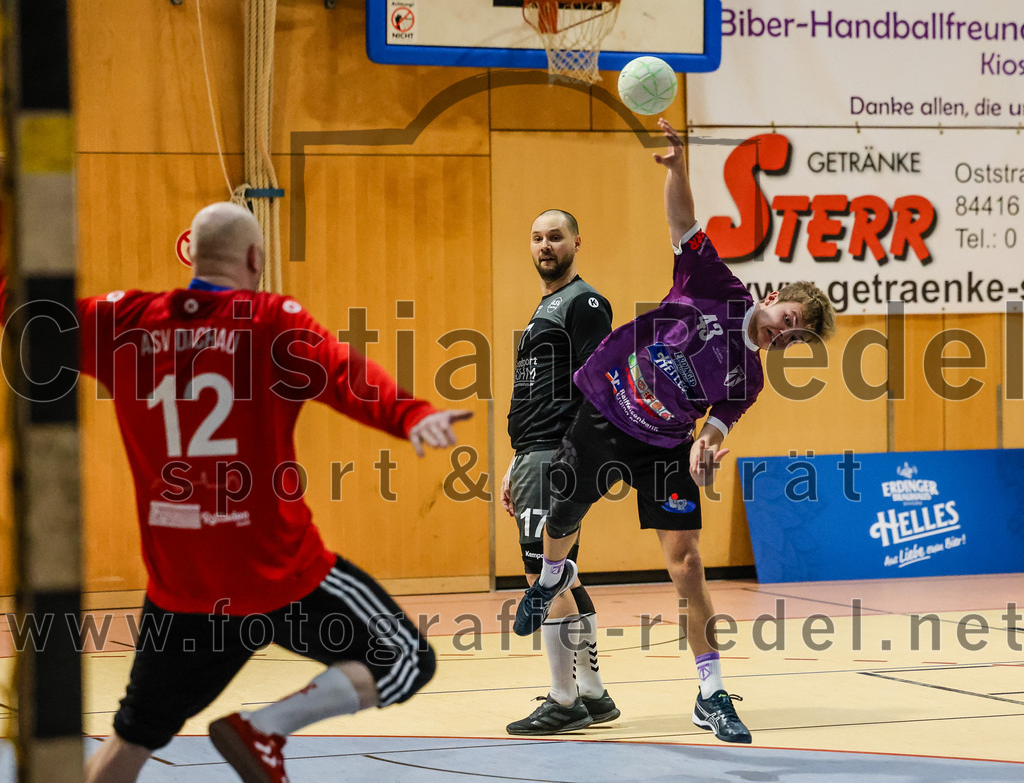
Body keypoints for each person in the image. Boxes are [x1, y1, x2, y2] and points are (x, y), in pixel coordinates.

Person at [80, 202, 472, 783]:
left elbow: (20, 311)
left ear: (190, 250)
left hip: (184, 588)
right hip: (279, 573)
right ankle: (264, 728)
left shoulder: (124, 321)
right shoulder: (268, 321)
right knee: (406, 658)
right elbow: (345, 373)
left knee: (134, 736)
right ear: (255, 259)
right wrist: (410, 416)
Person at [512, 120, 837, 744]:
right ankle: (551, 578)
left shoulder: (751, 378)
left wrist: (707, 447)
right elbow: (683, 222)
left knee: (687, 565)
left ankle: (711, 692)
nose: (785, 333)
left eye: (795, 337)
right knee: (562, 513)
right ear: (773, 298)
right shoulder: (718, 287)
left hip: (662, 448)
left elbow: (713, 429)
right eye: (788, 318)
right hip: (607, 411)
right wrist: (676, 168)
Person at [500, 209, 617, 735]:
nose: (545, 245)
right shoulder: (545, 307)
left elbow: (599, 384)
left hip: (554, 454)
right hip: (535, 453)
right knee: (564, 572)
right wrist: (515, 459)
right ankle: (593, 695)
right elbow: (533, 395)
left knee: (540, 578)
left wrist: (573, 455)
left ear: (576, 242)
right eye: (538, 237)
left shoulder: (584, 304)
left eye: (556, 237)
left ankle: (563, 699)